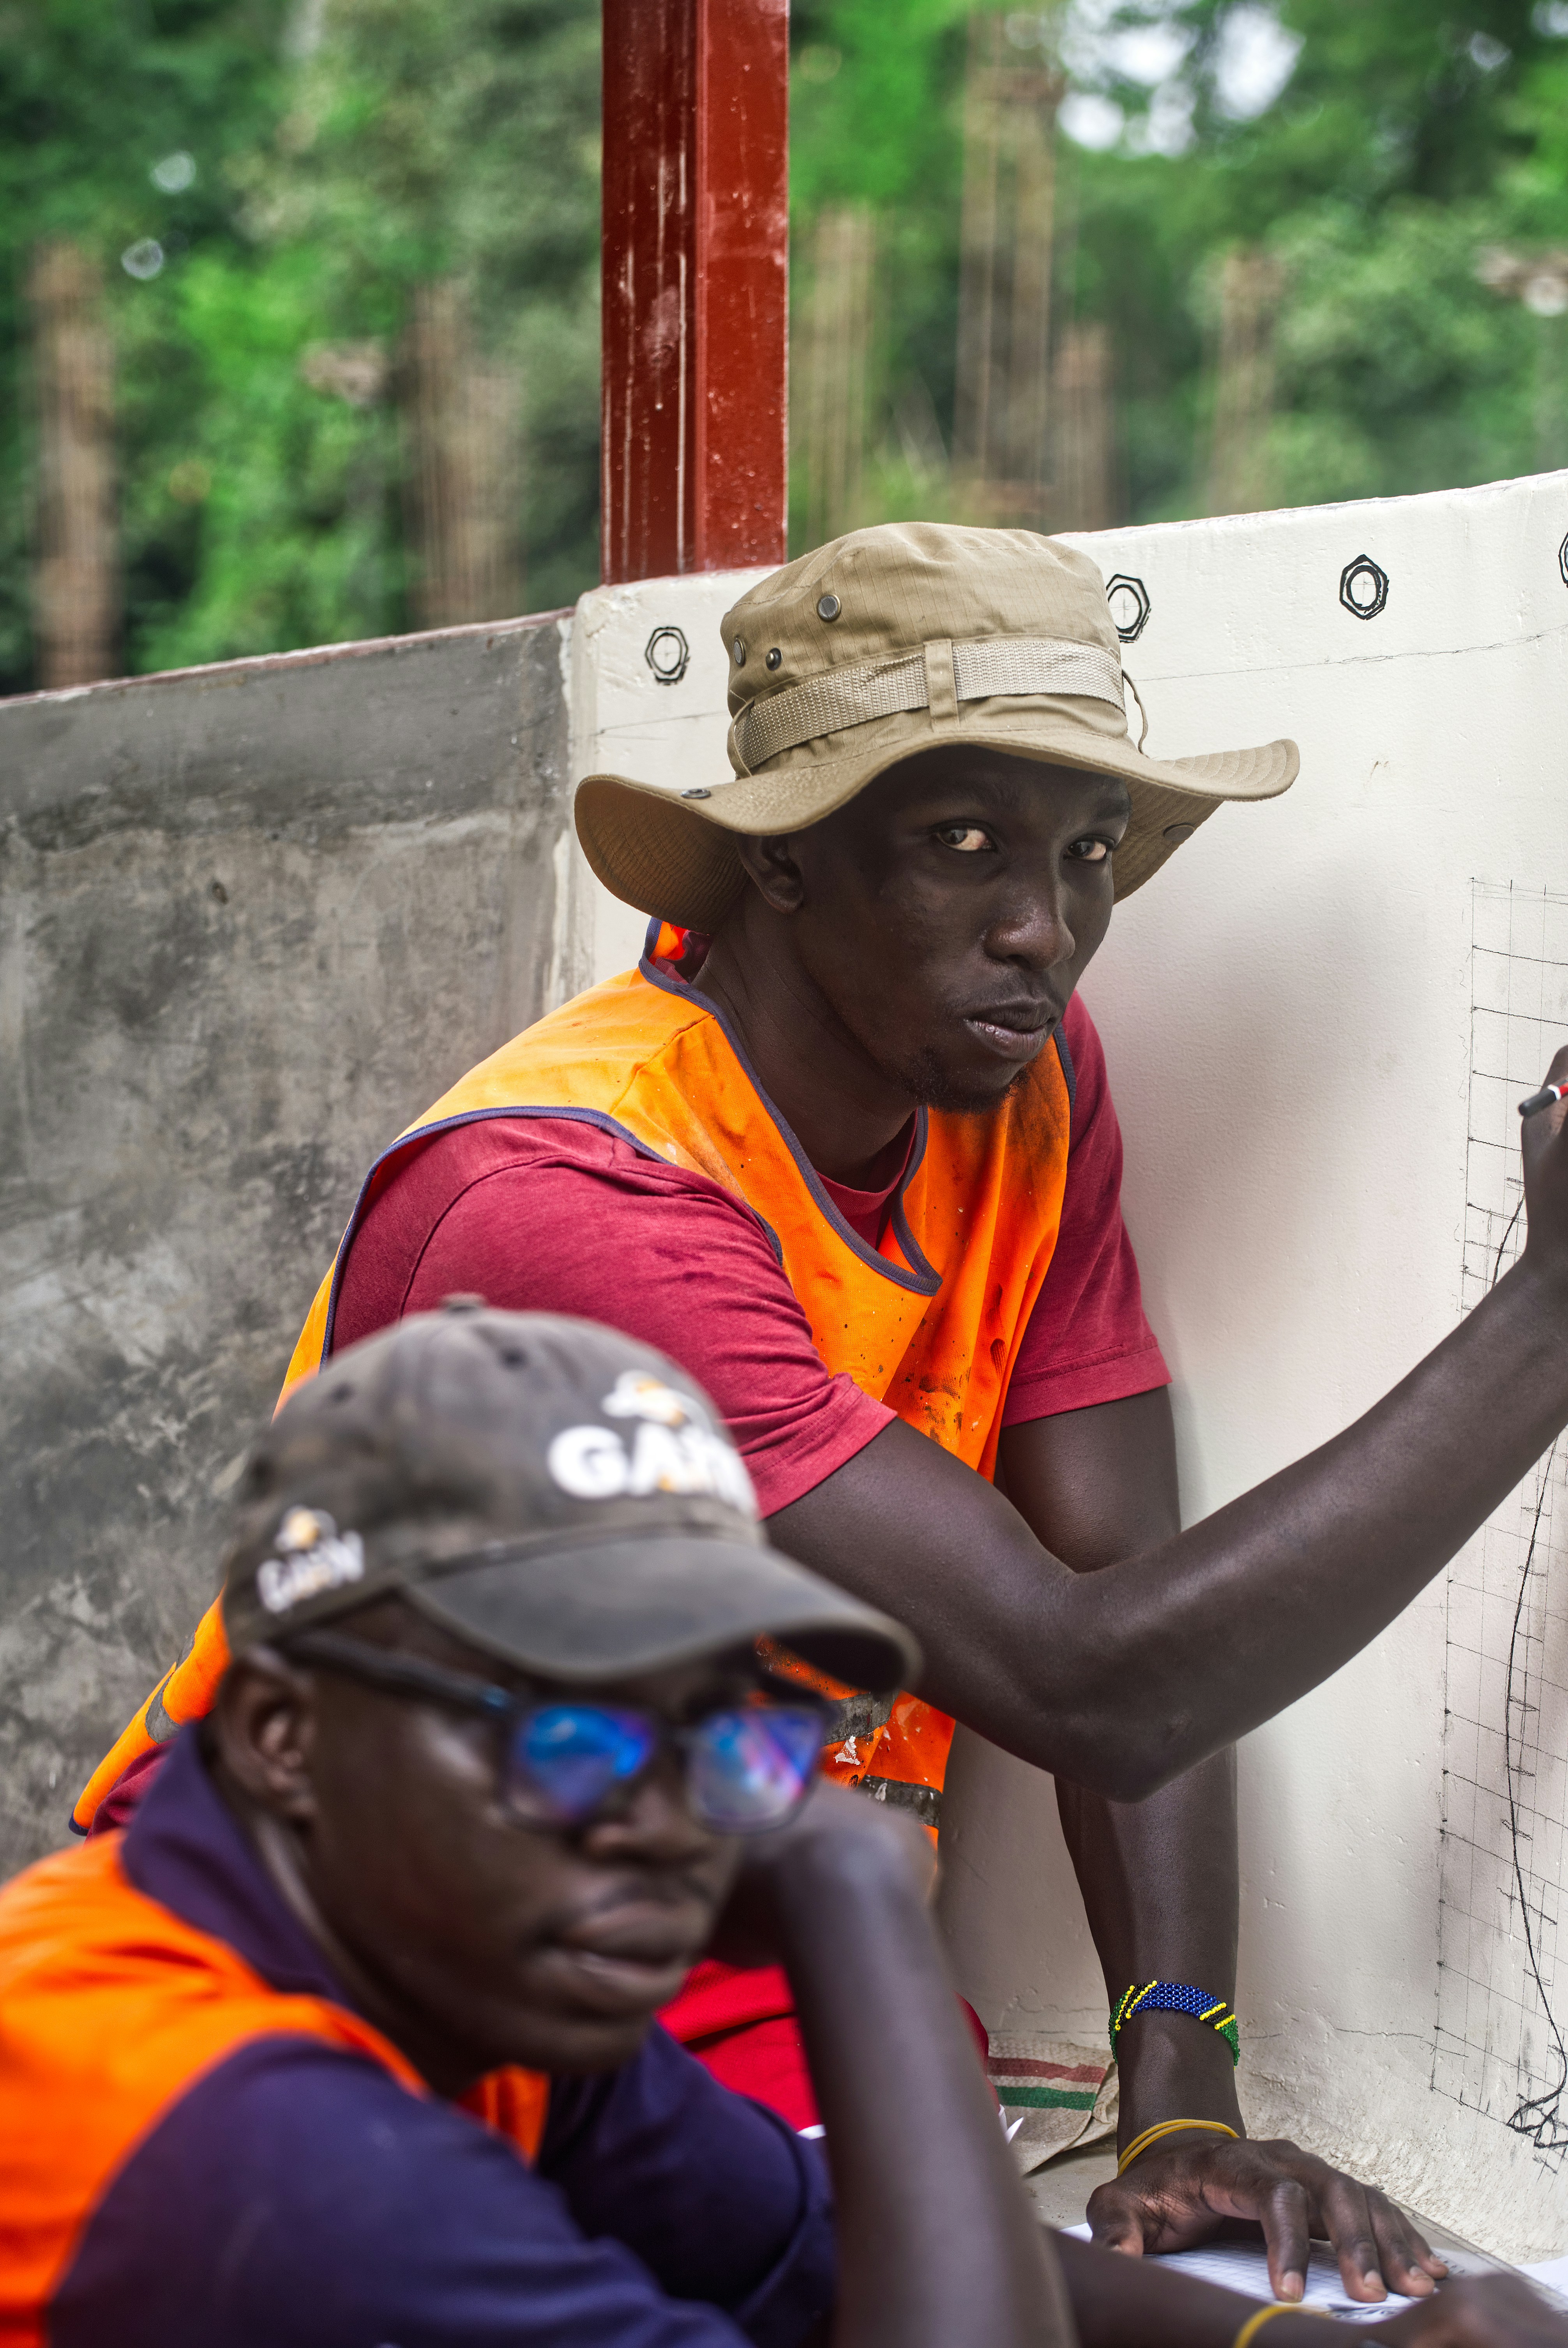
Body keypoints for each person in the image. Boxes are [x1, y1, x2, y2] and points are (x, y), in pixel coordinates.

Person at [74, 523, 1568, 2304]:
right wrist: (1544, 1321)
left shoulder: (1014, 1081)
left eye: (1086, 856)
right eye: (959, 847)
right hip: (400, 1902)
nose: (1044, 929)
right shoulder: (584, 1191)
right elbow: (1087, 1669)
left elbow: (1125, 1569)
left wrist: (1177, 2089)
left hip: (720, 1904)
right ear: (777, 869)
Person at [9, 1304, 1560, 2348]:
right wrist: (851, 1887)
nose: (678, 1823)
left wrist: (1312, 2343)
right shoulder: (237, 2139)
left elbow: (806, 2253)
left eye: (733, 1731)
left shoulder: (444, 1981)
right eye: (573, 1731)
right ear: (289, 1736)